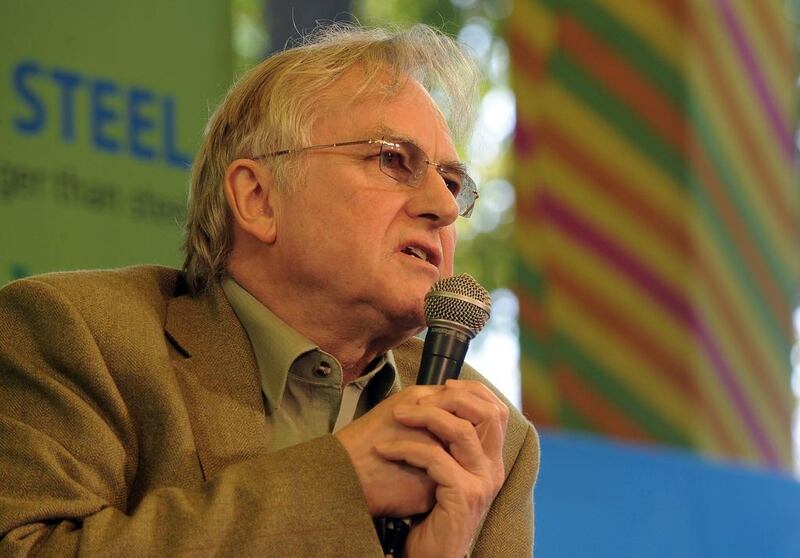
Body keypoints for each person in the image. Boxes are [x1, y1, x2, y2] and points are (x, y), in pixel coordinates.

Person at [0, 24, 539, 557]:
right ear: (258, 198)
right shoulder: (77, 335)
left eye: (451, 182)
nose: (443, 208)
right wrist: (340, 483)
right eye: (392, 159)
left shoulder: (488, 435)